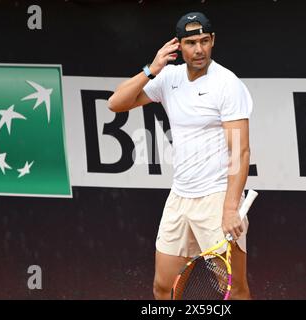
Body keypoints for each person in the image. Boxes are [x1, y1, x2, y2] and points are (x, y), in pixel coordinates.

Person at [108, 12, 253, 300]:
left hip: (216, 198)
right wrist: (152, 69)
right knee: (163, 287)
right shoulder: (169, 78)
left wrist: (229, 208)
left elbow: (240, 150)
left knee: (235, 291)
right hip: (180, 199)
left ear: (213, 41)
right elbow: (116, 103)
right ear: (179, 46)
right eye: (190, 43)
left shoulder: (227, 83)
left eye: (204, 41)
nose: (198, 50)